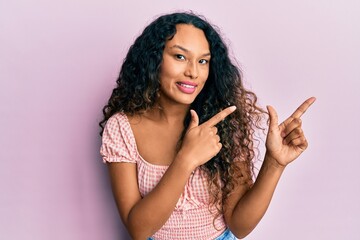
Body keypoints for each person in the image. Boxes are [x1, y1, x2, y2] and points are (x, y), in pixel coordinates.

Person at [99, 12, 315, 240]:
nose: (193, 72)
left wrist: (274, 162)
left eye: (203, 61)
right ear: (153, 60)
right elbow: (138, 230)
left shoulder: (225, 123)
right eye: (180, 57)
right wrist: (186, 159)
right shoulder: (122, 128)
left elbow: (240, 227)